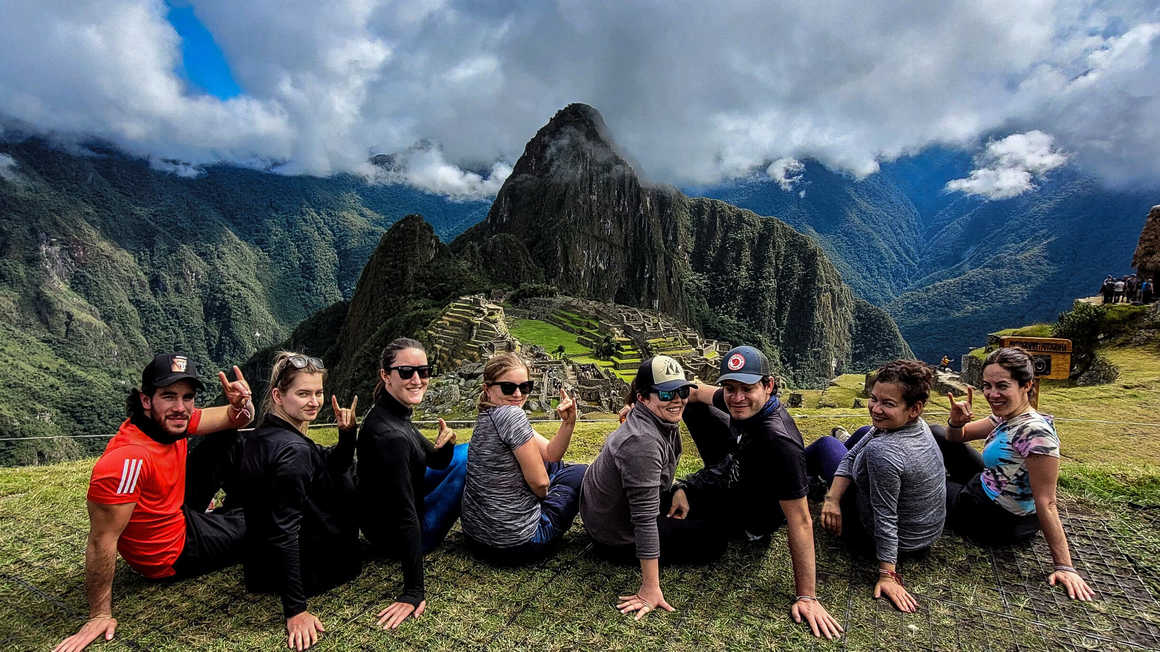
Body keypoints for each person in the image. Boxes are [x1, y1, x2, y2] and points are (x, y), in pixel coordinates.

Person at [55, 354, 254, 652]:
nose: (180, 407)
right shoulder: (128, 458)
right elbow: (101, 540)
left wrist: (243, 405)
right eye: (169, 396)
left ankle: (231, 511)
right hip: (170, 551)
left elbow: (236, 419)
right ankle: (239, 515)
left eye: (187, 397)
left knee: (228, 438)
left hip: (175, 509)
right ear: (146, 400)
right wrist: (99, 614)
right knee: (265, 521)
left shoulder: (172, 421)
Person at [673, 345, 844, 639]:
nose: (737, 398)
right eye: (730, 388)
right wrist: (644, 407)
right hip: (741, 460)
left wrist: (807, 596)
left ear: (768, 386)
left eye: (747, 389)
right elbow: (698, 390)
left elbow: (801, 521)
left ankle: (754, 526)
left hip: (757, 505)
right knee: (694, 405)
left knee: (694, 526)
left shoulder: (778, 442)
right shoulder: (740, 403)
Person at [939, 347, 1095, 601]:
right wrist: (956, 421)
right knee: (936, 431)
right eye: (987, 386)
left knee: (928, 487)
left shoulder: (1034, 433)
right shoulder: (1008, 416)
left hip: (995, 517)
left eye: (1002, 386)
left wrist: (1064, 566)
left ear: (1026, 385)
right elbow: (956, 437)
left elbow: (1048, 501)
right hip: (993, 485)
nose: (992, 394)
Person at [582, 356, 725, 620]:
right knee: (714, 540)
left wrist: (675, 490)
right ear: (644, 398)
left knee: (705, 504)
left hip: (611, 514)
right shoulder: (642, 443)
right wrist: (650, 589)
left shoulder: (658, 418)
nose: (678, 400)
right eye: (667, 393)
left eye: (682, 391)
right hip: (616, 536)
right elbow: (645, 520)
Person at [236, 353, 362, 651]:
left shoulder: (264, 434)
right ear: (279, 395)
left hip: (261, 567)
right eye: (303, 393)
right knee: (357, 475)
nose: (314, 402)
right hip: (315, 570)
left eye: (318, 393)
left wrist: (347, 436)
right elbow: (285, 530)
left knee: (347, 466)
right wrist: (296, 610)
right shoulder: (293, 450)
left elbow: (326, 461)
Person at [804, 360, 946, 612]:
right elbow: (851, 456)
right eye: (874, 399)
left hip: (886, 539)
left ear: (914, 408)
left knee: (826, 445)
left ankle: (795, 482)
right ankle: (819, 482)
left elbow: (886, 516)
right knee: (863, 432)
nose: (876, 409)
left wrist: (887, 575)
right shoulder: (915, 424)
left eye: (888, 404)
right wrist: (832, 500)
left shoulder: (884, 452)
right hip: (924, 534)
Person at [356, 337, 467, 630]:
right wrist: (413, 592)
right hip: (397, 537)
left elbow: (436, 460)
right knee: (470, 460)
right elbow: (405, 515)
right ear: (385, 375)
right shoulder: (390, 436)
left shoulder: (390, 412)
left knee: (464, 450)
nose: (417, 379)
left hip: (386, 519)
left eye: (424, 371)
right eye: (406, 372)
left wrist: (445, 445)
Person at [461, 353, 587, 561]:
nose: (518, 394)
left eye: (525, 387)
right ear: (487, 389)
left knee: (557, 467)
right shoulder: (512, 416)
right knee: (580, 473)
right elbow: (540, 484)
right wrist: (542, 496)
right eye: (508, 388)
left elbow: (551, 454)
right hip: (518, 542)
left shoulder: (488, 415)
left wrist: (568, 424)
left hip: (477, 538)